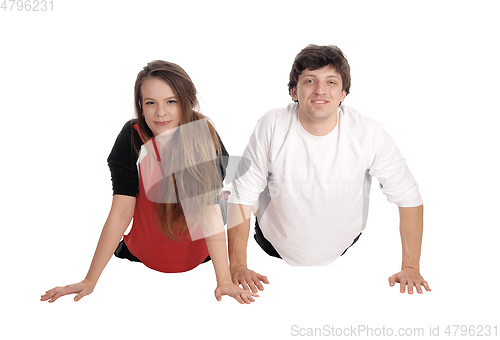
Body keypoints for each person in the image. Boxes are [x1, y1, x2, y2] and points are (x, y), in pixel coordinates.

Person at [41, 61, 258, 304]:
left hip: (199, 254)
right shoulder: (131, 135)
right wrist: (89, 280)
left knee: (240, 194)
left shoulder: (202, 133)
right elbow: (121, 211)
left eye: (171, 101)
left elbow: (210, 210)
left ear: (187, 102)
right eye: (150, 103)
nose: (161, 113)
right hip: (144, 252)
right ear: (140, 106)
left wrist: (224, 280)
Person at [226, 45, 431, 295]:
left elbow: (408, 196)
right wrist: (237, 265)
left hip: (344, 245)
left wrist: (411, 265)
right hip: (272, 245)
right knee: (243, 190)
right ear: (294, 91)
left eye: (331, 82)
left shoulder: (368, 132)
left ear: (344, 93)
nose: (320, 90)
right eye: (310, 81)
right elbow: (242, 196)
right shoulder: (273, 124)